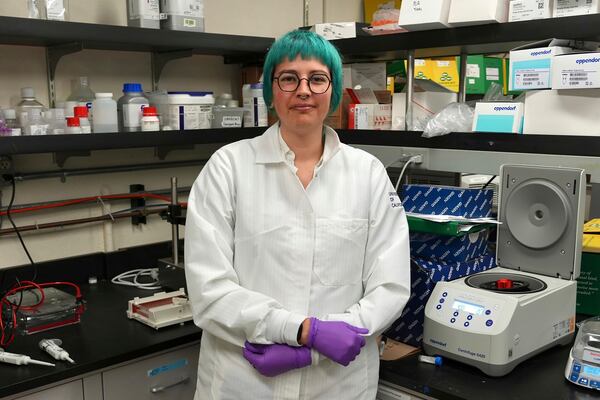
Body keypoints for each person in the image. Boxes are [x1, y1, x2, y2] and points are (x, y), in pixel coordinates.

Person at [185, 29, 410, 400]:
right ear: (272, 92)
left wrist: (311, 351)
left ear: (333, 92)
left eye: (317, 79)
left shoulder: (368, 174)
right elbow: (209, 292)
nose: (303, 90)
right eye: (289, 78)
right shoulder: (228, 167)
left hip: (336, 384)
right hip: (245, 380)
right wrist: (302, 330)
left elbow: (389, 287)